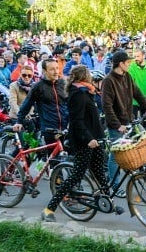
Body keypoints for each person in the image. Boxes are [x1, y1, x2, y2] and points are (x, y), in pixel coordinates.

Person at [42, 66, 111, 223]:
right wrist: (88, 139)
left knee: (99, 170)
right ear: (84, 76)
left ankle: (107, 202)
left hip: (95, 138)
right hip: (84, 141)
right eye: (89, 75)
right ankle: (49, 208)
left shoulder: (87, 91)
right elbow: (77, 121)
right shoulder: (77, 94)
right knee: (76, 176)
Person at [101, 50, 146, 185]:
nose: (130, 64)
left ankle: (139, 172)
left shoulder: (127, 76)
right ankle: (115, 185)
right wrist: (117, 125)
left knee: (141, 142)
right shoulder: (108, 81)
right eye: (128, 62)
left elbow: (138, 94)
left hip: (129, 119)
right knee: (115, 156)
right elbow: (107, 107)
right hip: (117, 124)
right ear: (121, 64)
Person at [17, 58, 69, 144]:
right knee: (52, 156)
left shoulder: (63, 83)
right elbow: (27, 104)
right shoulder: (38, 86)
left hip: (65, 127)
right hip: (49, 129)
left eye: (57, 68)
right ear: (45, 71)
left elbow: (69, 103)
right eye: (52, 69)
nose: (56, 71)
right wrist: (19, 121)